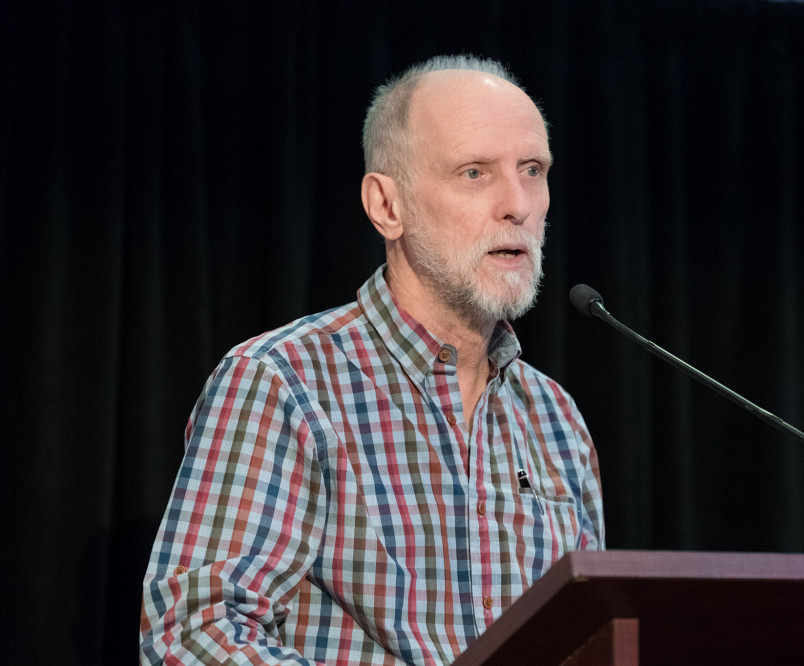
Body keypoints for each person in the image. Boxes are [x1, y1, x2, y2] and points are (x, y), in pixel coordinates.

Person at [140, 54, 604, 665]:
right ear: (388, 205)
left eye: (533, 169)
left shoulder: (557, 421)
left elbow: (591, 641)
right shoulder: (283, 383)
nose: (517, 204)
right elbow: (195, 632)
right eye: (473, 173)